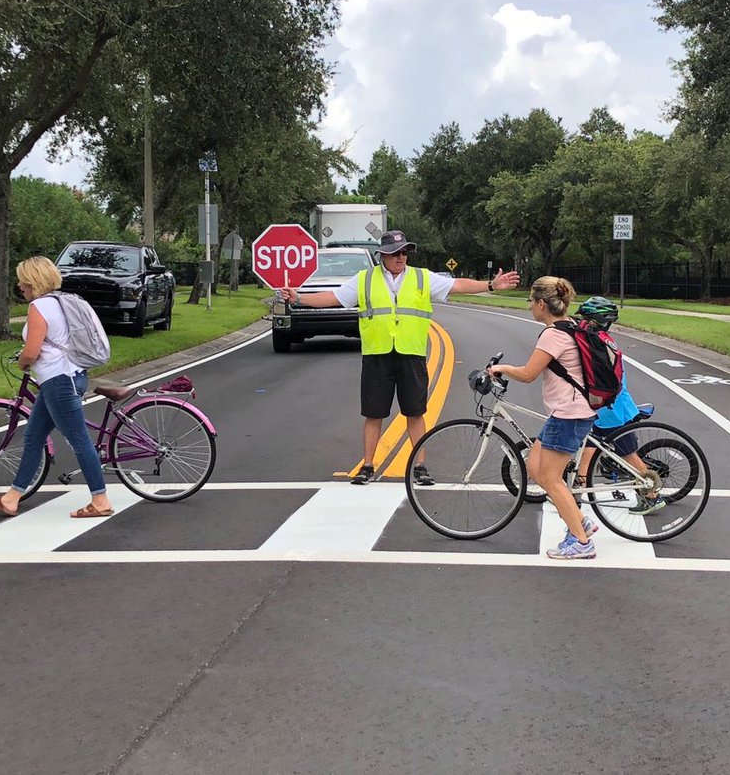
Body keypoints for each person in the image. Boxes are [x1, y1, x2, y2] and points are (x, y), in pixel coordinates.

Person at [280, 230, 520, 484]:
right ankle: (368, 466)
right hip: (377, 354)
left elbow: (457, 285)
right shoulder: (365, 279)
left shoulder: (421, 277)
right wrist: (299, 298)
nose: (401, 257)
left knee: (415, 412)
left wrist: (491, 285)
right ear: (382, 255)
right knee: (374, 413)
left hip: (411, 354)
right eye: (395, 253)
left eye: (404, 252)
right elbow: (334, 298)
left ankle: (420, 466)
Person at [0, 256, 114, 519]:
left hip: (58, 381)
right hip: (72, 376)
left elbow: (32, 350)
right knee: (33, 437)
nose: (19, 285)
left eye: (22, 280)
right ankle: (12, 497)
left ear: (33, 280)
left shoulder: (39, 307)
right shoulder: (65, 302)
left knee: (79, 440)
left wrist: (22, 362)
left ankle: (100, 500)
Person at [487, 276, 599, 560]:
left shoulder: (553, 334)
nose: (529, 308)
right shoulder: (570, 325)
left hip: (569, 414)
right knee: (536, 470)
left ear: (541, 304)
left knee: (550, 479)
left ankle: (581, 542)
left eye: (530, 303)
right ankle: (580, 522)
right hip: (565, 412)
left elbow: (528, 374)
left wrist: (502, 368)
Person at [573, 296, 665, 514]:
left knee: (629, 457)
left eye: (586, 319)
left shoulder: (597, 344)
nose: (582, 322)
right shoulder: (600, 341)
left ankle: (651, 495)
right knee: (588, 451)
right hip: (606, 411)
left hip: (614, 413)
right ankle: (574, 495)